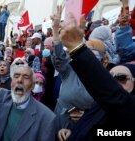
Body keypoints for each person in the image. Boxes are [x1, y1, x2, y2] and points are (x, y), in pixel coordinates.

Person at [58, 8, 135, 140]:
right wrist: (74, 131)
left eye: (121, 78)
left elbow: (114, 97)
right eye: (109, 78)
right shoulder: (96, 107)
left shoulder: (129, 112)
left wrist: (77, 47)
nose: (113, 82)